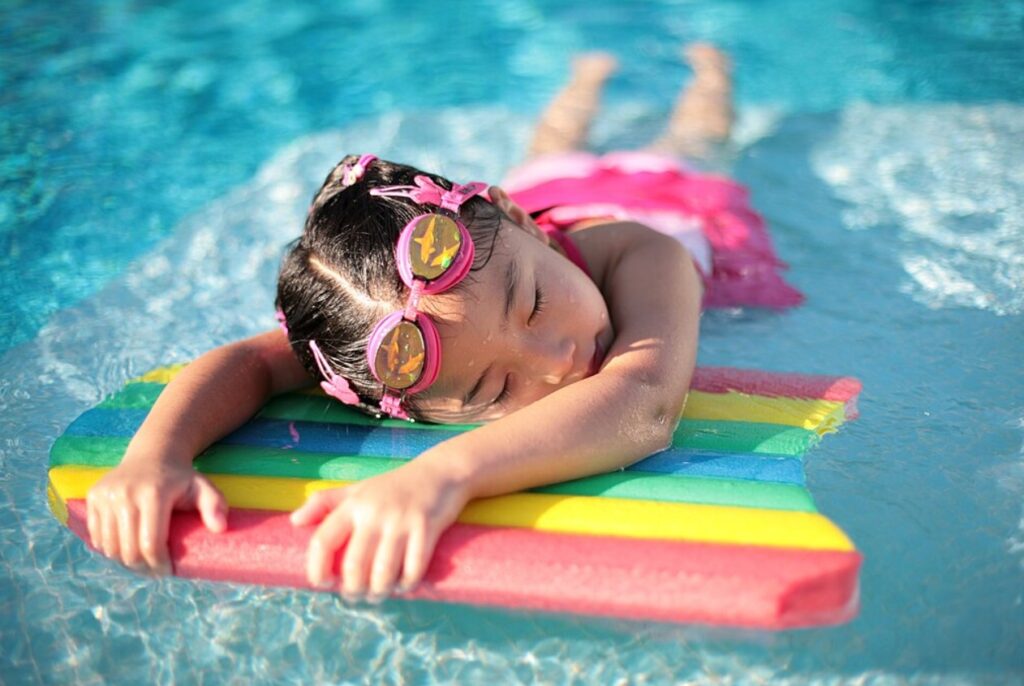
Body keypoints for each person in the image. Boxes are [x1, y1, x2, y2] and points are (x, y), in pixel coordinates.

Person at [86, 45, 756, 601]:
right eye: (493, 391)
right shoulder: (411, 334)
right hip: (526, 228)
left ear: (515, 217)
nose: (558, 362)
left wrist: (443, 475)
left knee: (680, 137)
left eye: (536, 305)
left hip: (664, 189)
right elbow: (258, 363)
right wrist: (154, 458)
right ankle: (590, 78)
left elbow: (645, 405)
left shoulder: (645, 252)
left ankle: (689, 75)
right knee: (557, 153)